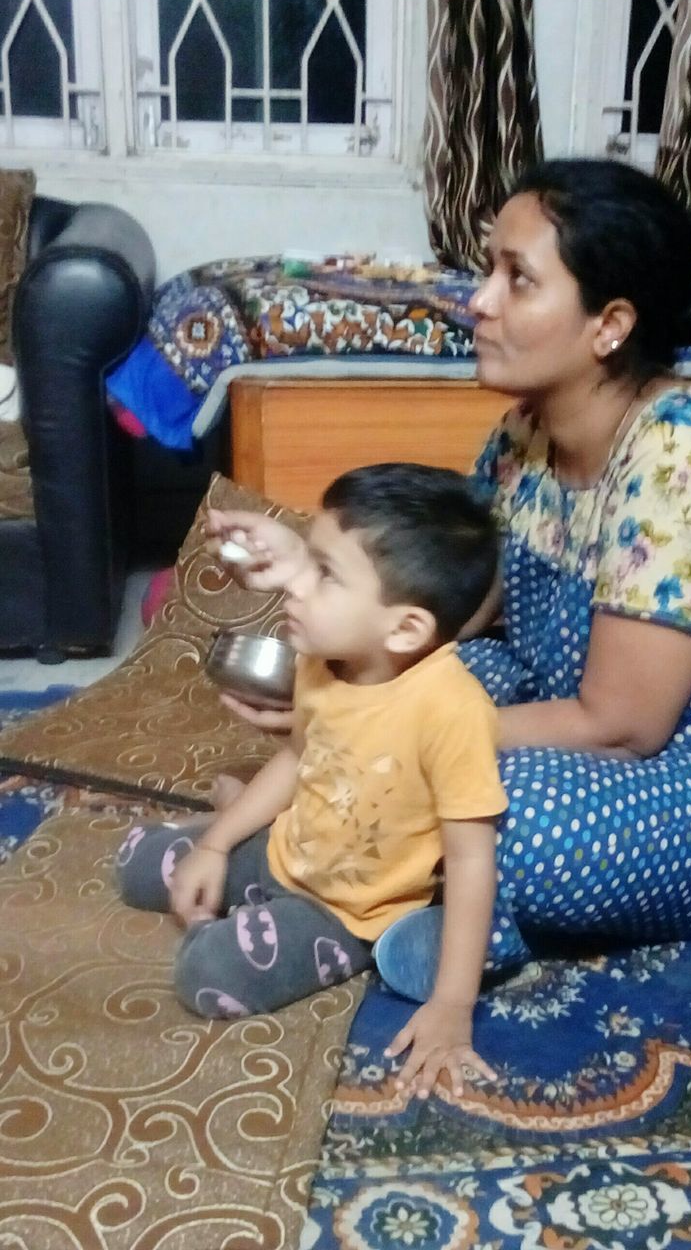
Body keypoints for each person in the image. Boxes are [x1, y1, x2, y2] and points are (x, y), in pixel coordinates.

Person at [207, 157, 691, 988]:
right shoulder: (525, 435)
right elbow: (453, 606)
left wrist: (370, 742)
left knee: (508, 810)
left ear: (608, 325)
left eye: (517, 279)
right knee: (409, 670)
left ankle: (433, 910)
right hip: (569, 698)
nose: (478, 301)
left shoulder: (683, 454)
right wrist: (332, 651)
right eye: (490, 270)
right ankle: (371, 860)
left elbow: (621, 726)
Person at [117, 463, 507, 1099]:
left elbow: (470, 861)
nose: (296, 587)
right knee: (137, 862)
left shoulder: (452, 710)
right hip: (286, 851)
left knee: (207, 973)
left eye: (323, 575)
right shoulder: (328, 663)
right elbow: (299, 760)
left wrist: (452, 1004)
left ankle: (281, 930)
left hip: (348, 909)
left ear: (406, 627)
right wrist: (218, 843)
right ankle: (240, 875)